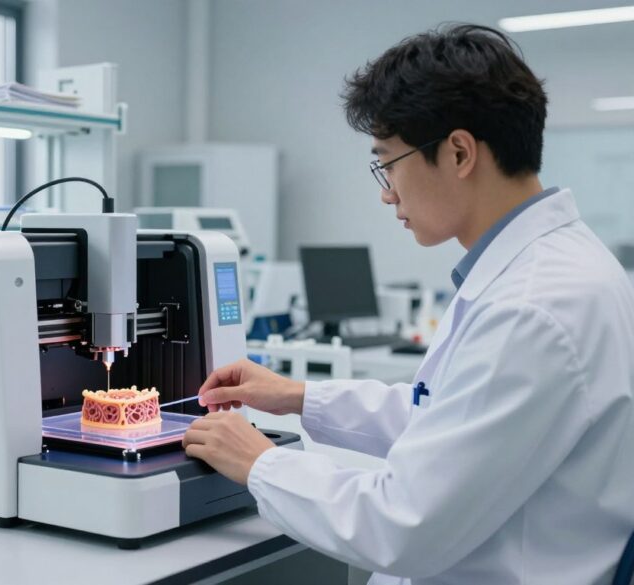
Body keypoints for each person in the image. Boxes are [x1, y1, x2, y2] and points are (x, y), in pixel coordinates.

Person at [182, 23, 634, 585]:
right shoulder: (551, 268)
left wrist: (259, 463)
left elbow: (401, 527)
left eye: (388, 162)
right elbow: (445, 417)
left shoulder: (534, 306)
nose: (386, 191)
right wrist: (298, 396)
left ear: (460, 152)